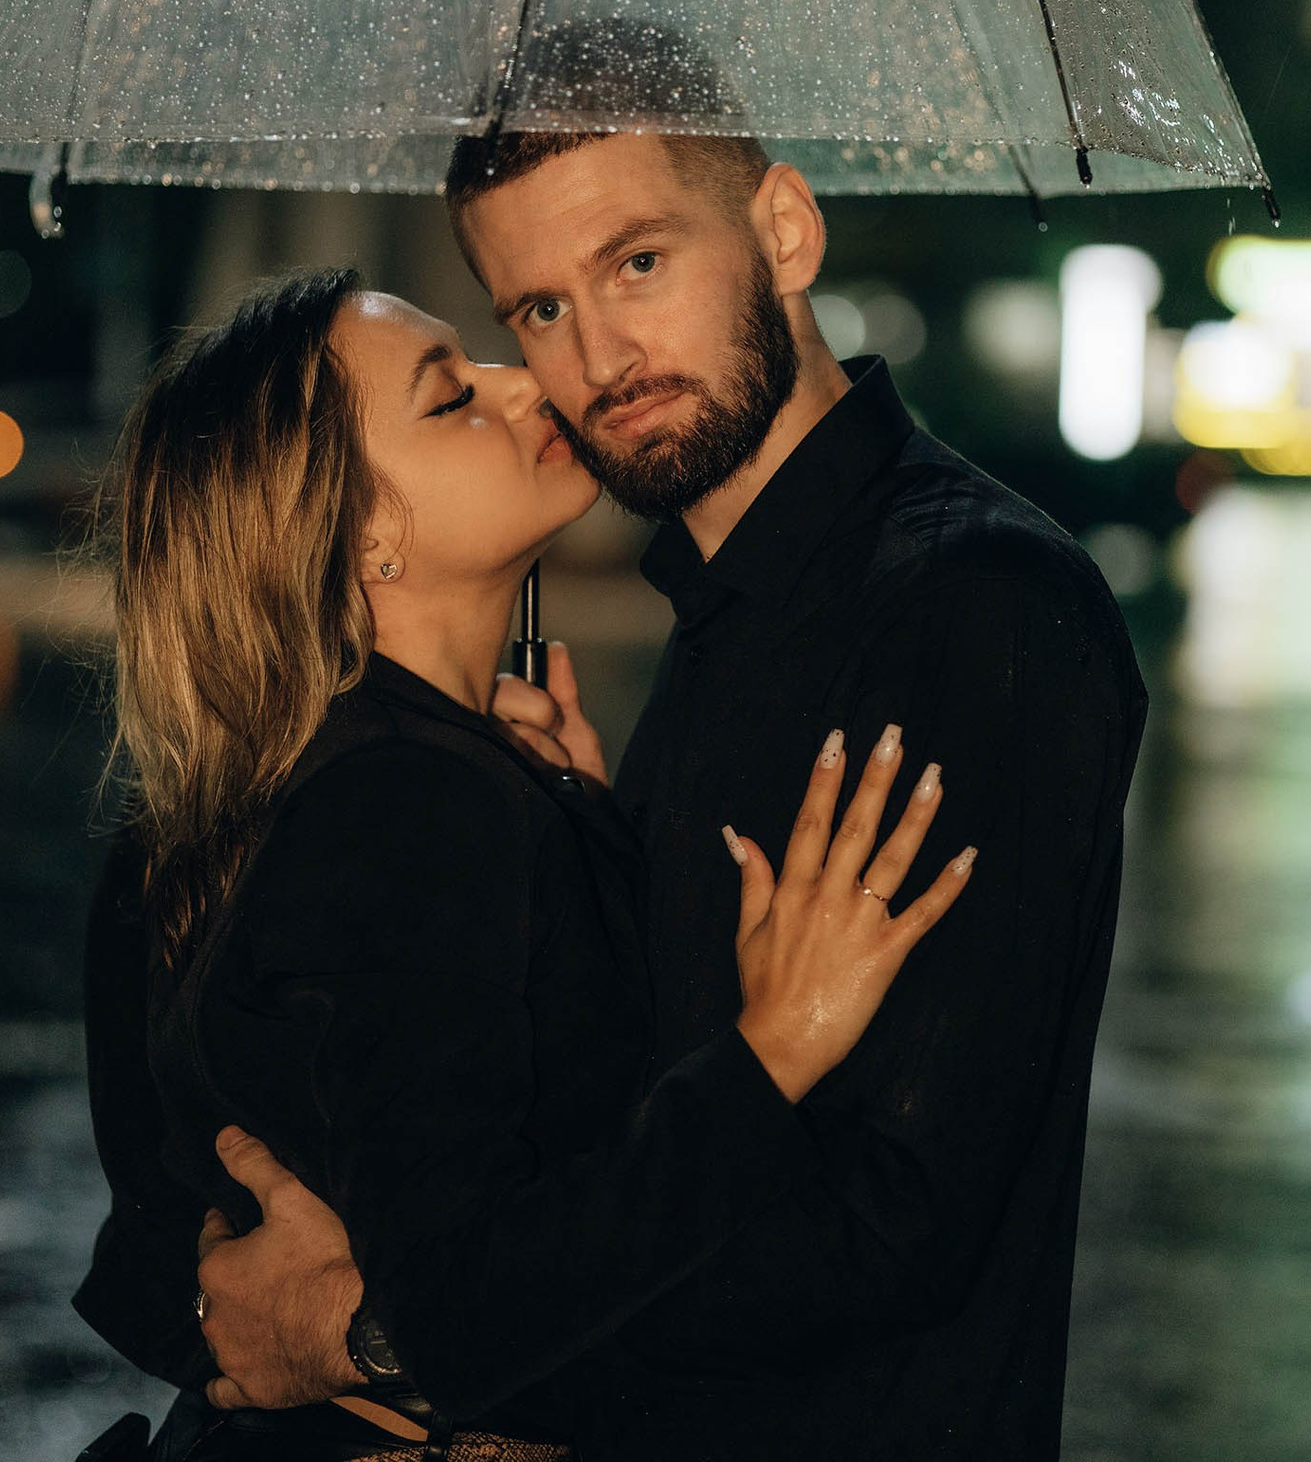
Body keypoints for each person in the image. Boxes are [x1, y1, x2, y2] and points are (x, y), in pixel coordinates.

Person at [188, 25, 1147, 1460]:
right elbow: (655, 1098)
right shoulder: (719, 623)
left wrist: (372, 1332)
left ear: (783, 228)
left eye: (638, 263)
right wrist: (600, 850)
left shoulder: (976, 605)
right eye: (539, 309)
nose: (600, 357)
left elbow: (888, 1229)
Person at [72, 265, 976, 1461]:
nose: (523, 381)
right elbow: (470, 1292)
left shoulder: (227, 807)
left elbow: (152, 1261)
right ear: (364, 530)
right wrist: (774, 1054)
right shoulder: (410, 801)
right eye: (451, 399)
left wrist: (574, 834)